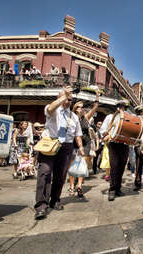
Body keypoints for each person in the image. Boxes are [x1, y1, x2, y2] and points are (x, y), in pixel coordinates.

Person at [34, 86, 84, 220]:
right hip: (50, 143)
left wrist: (81, 148)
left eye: (70, 99)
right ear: (59, 97)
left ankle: (55, 200)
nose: (68, 100)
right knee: (44, 172)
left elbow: (77, 134)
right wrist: (64, 96)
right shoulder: (52, 110)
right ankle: (41, 206)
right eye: (66, 97)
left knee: (60, 175)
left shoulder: (74, 117)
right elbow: (50, 109)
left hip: (66, 146)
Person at [68, 92, 99, 197]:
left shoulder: (85, 118)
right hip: (73, 143)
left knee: (82, 165)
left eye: (83, 107)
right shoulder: (71, 118)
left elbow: (95, 107)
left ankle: (79, 186)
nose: (82, 109)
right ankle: (72, 186)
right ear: (76, 109)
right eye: (80, 107)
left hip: (85, 144)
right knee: (72, 166)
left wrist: (97, 96)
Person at [100, 99, 130, 201]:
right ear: (117, 107)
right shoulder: (110, 117)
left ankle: (118, 188)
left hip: (125, 144)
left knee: (122, 166)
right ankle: (112, 189)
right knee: (114, 166)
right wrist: (105, 133)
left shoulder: (128, 118)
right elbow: (103, 129)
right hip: (113, 144)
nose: (123, 109)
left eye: (124, 107)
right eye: (121, 107)